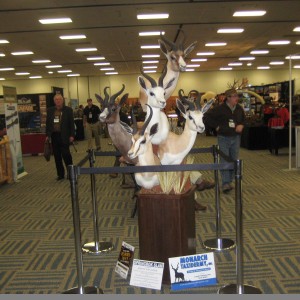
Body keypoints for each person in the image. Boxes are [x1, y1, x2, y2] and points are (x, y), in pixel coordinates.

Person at [204, 88, 246, 193]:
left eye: (237, 96)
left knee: (233, 159)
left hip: (235, 137)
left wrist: (241, 124)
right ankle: (225, 183)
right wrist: (216, 127)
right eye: (234, 96)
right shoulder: (220, 109)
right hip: (223, 137)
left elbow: (243, 119)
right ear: (228, 98)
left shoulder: (239, 108)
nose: (237, 98)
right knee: (224, 159)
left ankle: (230, 181)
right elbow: (206, 117)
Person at [46, 93, 75, 181]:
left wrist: (72, 135)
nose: (58, 101)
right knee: (57, 157)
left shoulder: (68, 110)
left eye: (60, 99)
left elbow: (71, 124)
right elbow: (48, 124)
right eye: (56, 100)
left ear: (62, 101)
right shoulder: (50, 110)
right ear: (54, 101)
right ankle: (60, 174)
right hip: (54, 136)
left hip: (65, 136)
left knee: (66, 156)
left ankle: (71, 173)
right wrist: (48, 135)